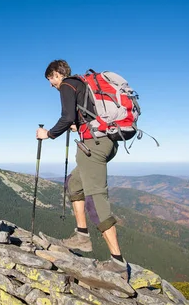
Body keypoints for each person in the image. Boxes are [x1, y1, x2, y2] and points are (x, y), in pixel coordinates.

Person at [36, 59, 128, 279]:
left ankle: (118, 262)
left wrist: (47, 134)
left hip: (94, 146)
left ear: (58, 74)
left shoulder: (67, 84)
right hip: (103, 141)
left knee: (96, 199)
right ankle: (82, 236)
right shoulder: (82, 85)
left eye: (51, 79)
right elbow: (81, 117)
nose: (51, 85)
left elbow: (66, 117)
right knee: (73, 183)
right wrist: (79, 124)